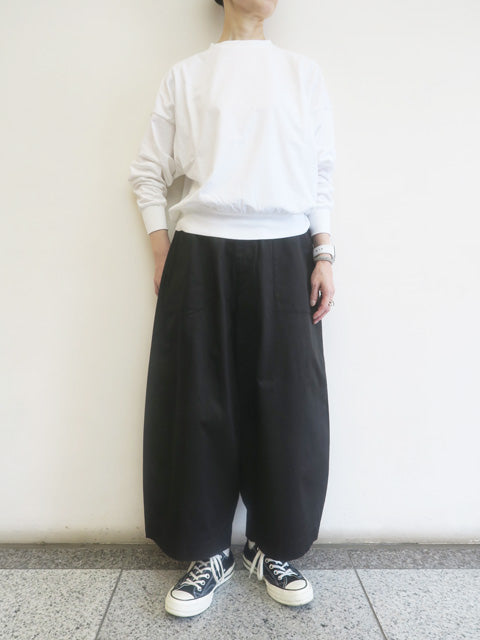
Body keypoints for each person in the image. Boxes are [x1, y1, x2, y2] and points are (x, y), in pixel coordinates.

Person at [128, 0, 336, 618]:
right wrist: (161, 247)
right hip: (201, 251)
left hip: (287, 251)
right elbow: (147, 172)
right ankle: (206, 551)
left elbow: (321, 172)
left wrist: (324, 251)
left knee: (289, 405)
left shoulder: (302, 73)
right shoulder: (187, 75)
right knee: (198, 402)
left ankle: (273, 548)